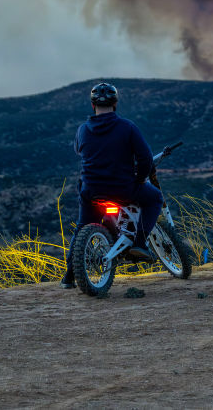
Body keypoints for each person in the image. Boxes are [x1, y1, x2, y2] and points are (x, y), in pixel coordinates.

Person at [61, 82, 161, 288]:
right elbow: (145, 159)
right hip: (123, 189)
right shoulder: (128, 127)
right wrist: (141, 178)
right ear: (115, 104)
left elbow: (79, 150)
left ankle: (69, 276)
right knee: (154, 198)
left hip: (91, 190)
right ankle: (139, 243)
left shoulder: (82, 130)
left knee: (82, 226)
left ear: (92, 105)